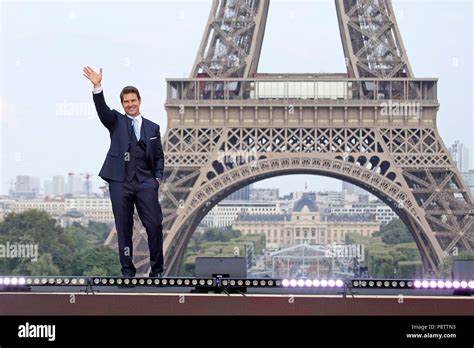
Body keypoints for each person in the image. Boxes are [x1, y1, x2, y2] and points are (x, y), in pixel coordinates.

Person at [83, 66, 165, 278]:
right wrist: (97, 86)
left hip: (146, 182)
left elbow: (158, 156)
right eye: (126, 102)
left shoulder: (153, 128)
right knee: (123, 228)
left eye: (133, 100)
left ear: (139, 101)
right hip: (120, 182)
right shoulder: (116, 122)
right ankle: (128, 272)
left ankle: (157, 271)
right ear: (122, 104)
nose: (130, 104)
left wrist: (157, 178)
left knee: (154, 225)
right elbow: (102, 110)